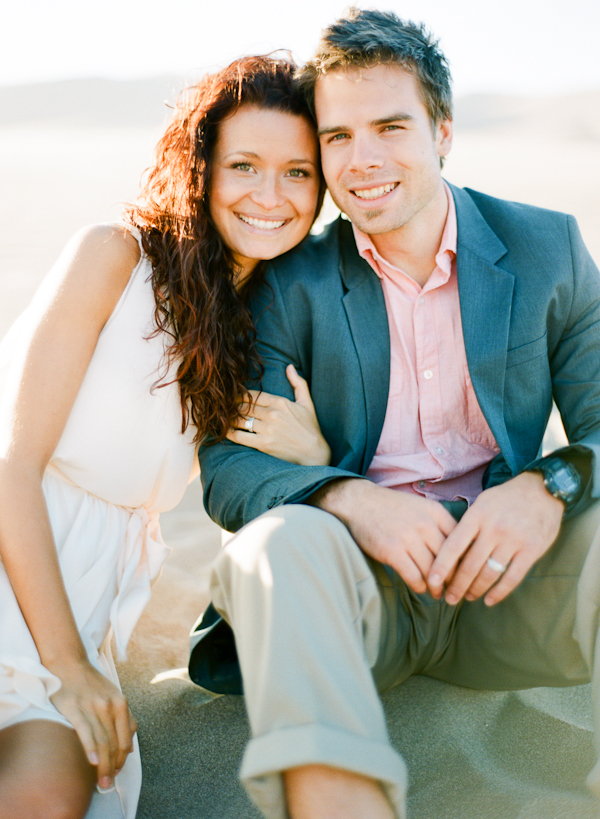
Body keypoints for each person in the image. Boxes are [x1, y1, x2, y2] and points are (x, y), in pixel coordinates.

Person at [197, 9, 600, 819]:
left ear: (442, 131)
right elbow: (230, 465)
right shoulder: (289, 281)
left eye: (390, 126)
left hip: (510, 582)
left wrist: (546, 484)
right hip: (358, 602)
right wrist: (350, 496)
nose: (363, 159)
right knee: (275, 543)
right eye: (338, 136)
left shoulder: (546, 247)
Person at [0, 55, 327, 819]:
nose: (270, 196)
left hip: (85, 597)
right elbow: (12, 465)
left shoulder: (262, 328)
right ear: (202, 166)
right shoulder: (115, 255)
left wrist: (313, 454)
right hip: (19, 550)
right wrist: (68, 664)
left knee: (56, 787)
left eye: (298, 172)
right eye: (244, 164)